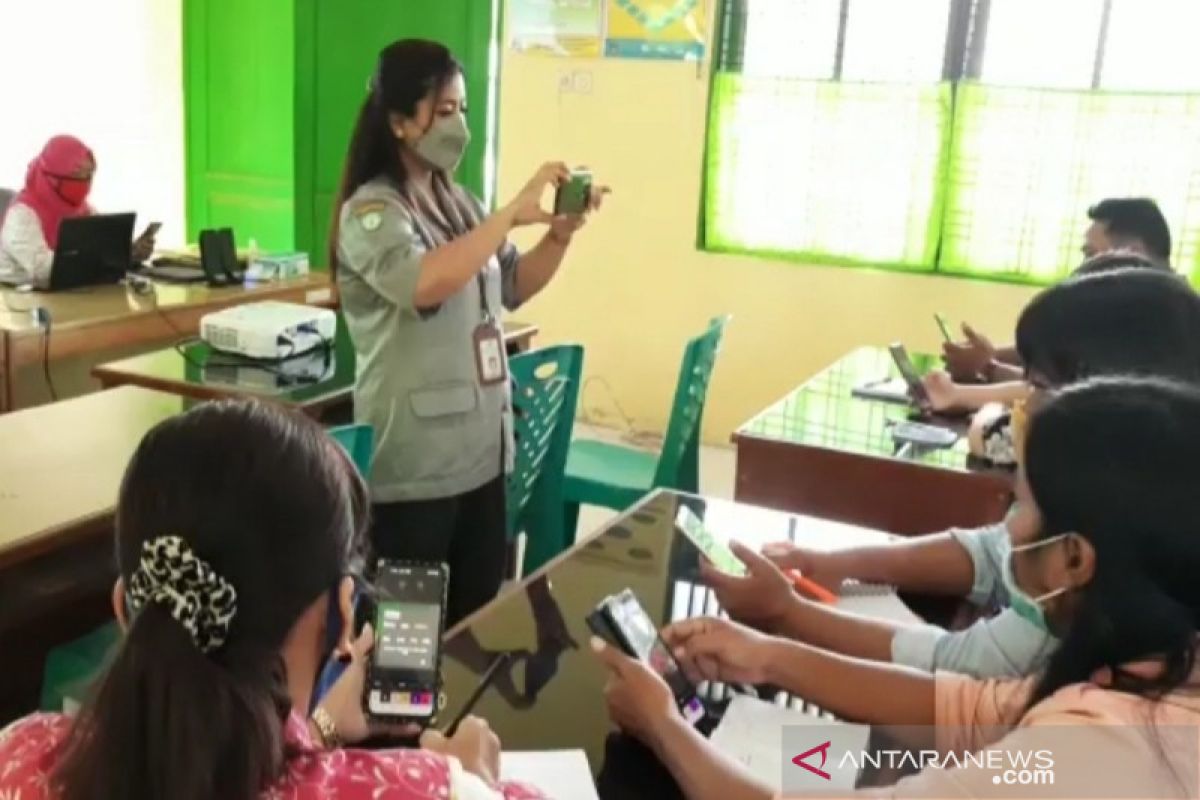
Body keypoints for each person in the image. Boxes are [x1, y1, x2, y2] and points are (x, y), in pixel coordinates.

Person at [594, 377, 1200, 799]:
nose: (1006, 530)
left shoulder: (1097, 752)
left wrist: (664, 726)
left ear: (1074, 559)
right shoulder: (1159, 666)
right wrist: (768, 657)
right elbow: (968, 713)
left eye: (1019, 505)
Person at [0, 400, 545, 800]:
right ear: (340, 618)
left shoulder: (18, 754)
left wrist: (323, 730)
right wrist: (476, 783)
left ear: (125, 610)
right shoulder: (421, 789)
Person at [736, 268, 1200, 678]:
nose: (1023, 404)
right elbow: (993, 552)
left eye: (1035, 385)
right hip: (991, 753)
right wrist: (835, 563)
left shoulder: (1095, 598)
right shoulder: (1119, 512)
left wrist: (787, 620)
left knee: (800, 756)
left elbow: (957, 684)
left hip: (1005, 766)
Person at [332, 40, 606, 626]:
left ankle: (461, 723)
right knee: (410, 641)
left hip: (483, 452)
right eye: (446, 111)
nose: (460, 126)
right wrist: (509, 214)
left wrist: (559, 234)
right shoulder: (373, 213)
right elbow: (423, 283)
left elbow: (512, 283)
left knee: (474, 623)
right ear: (401, 122)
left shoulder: (460, 202)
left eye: (463, 109)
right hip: (417, 466)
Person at [943, 233, 1172, 383]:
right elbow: (1058, 353)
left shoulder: (1165, 320)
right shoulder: (1142, 302)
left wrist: (988, 367)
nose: (1085, 265)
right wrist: (990, 356)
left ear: (1131, 252)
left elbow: (1067, 393)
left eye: (1090, 253)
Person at [0, 135, 156, 288]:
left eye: (88, 175)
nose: (84, 182)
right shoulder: (21, 215)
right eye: (76, 175)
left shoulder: (83, 209)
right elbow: (44, 270)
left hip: (70, 295)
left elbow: (103, 249)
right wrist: (102, 261)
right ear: (51, 176)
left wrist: (129, 254)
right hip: (20, 300)